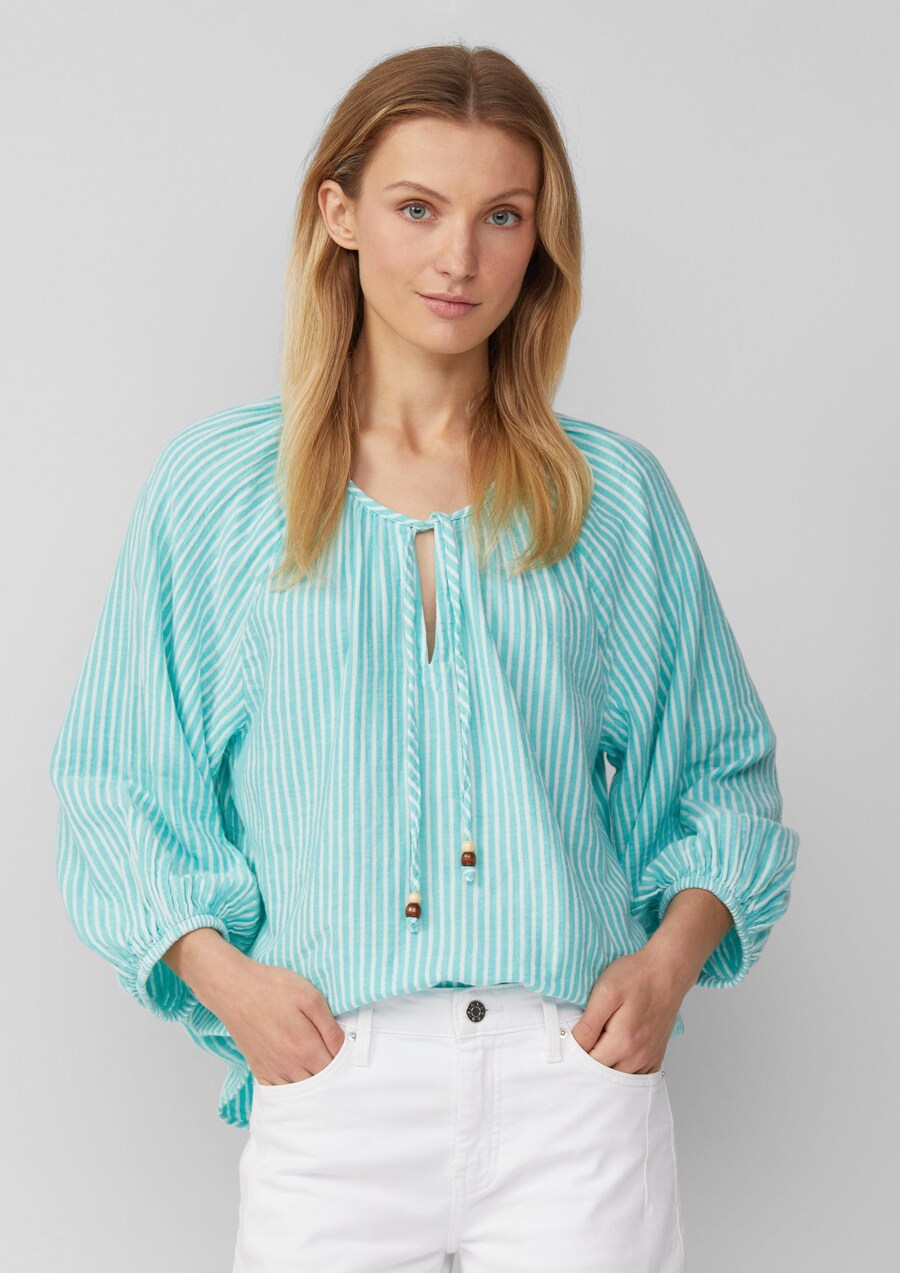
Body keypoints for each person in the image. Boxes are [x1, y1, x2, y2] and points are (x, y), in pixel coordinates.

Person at [48, 41, 800, 1273]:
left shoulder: (610, 497)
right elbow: (118, 783)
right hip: (333, 1080)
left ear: (540, 239)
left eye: (503, 215)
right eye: (418, 208)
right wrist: (229, 983)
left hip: (571, 1087)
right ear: (338, 213)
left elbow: (722, 773)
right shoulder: (217, 491)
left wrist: (668, 967)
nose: (460, 258)